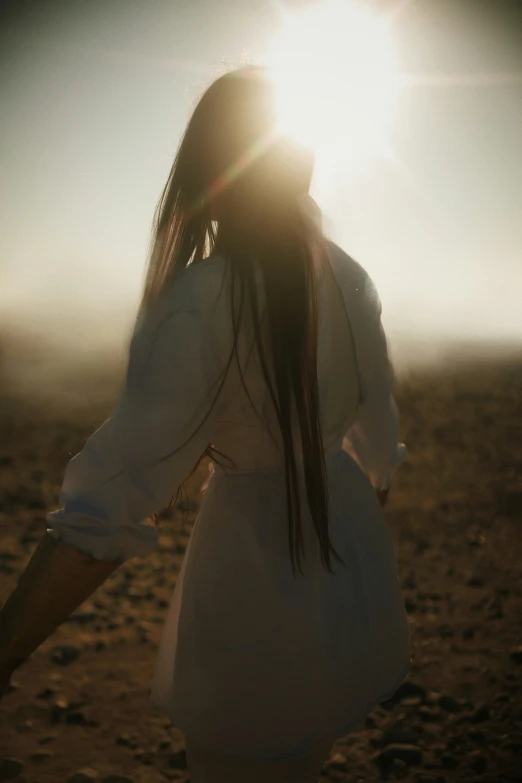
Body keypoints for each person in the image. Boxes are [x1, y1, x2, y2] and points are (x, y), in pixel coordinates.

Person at [0, 66, 411, 782]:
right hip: (341, 551)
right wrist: (351, 501)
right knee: (303, 753)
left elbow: (105, 512)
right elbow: (379, 440)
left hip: (254, 571)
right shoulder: (349, 274)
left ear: (204, 169)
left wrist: (8, 646)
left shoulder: (203, 301)